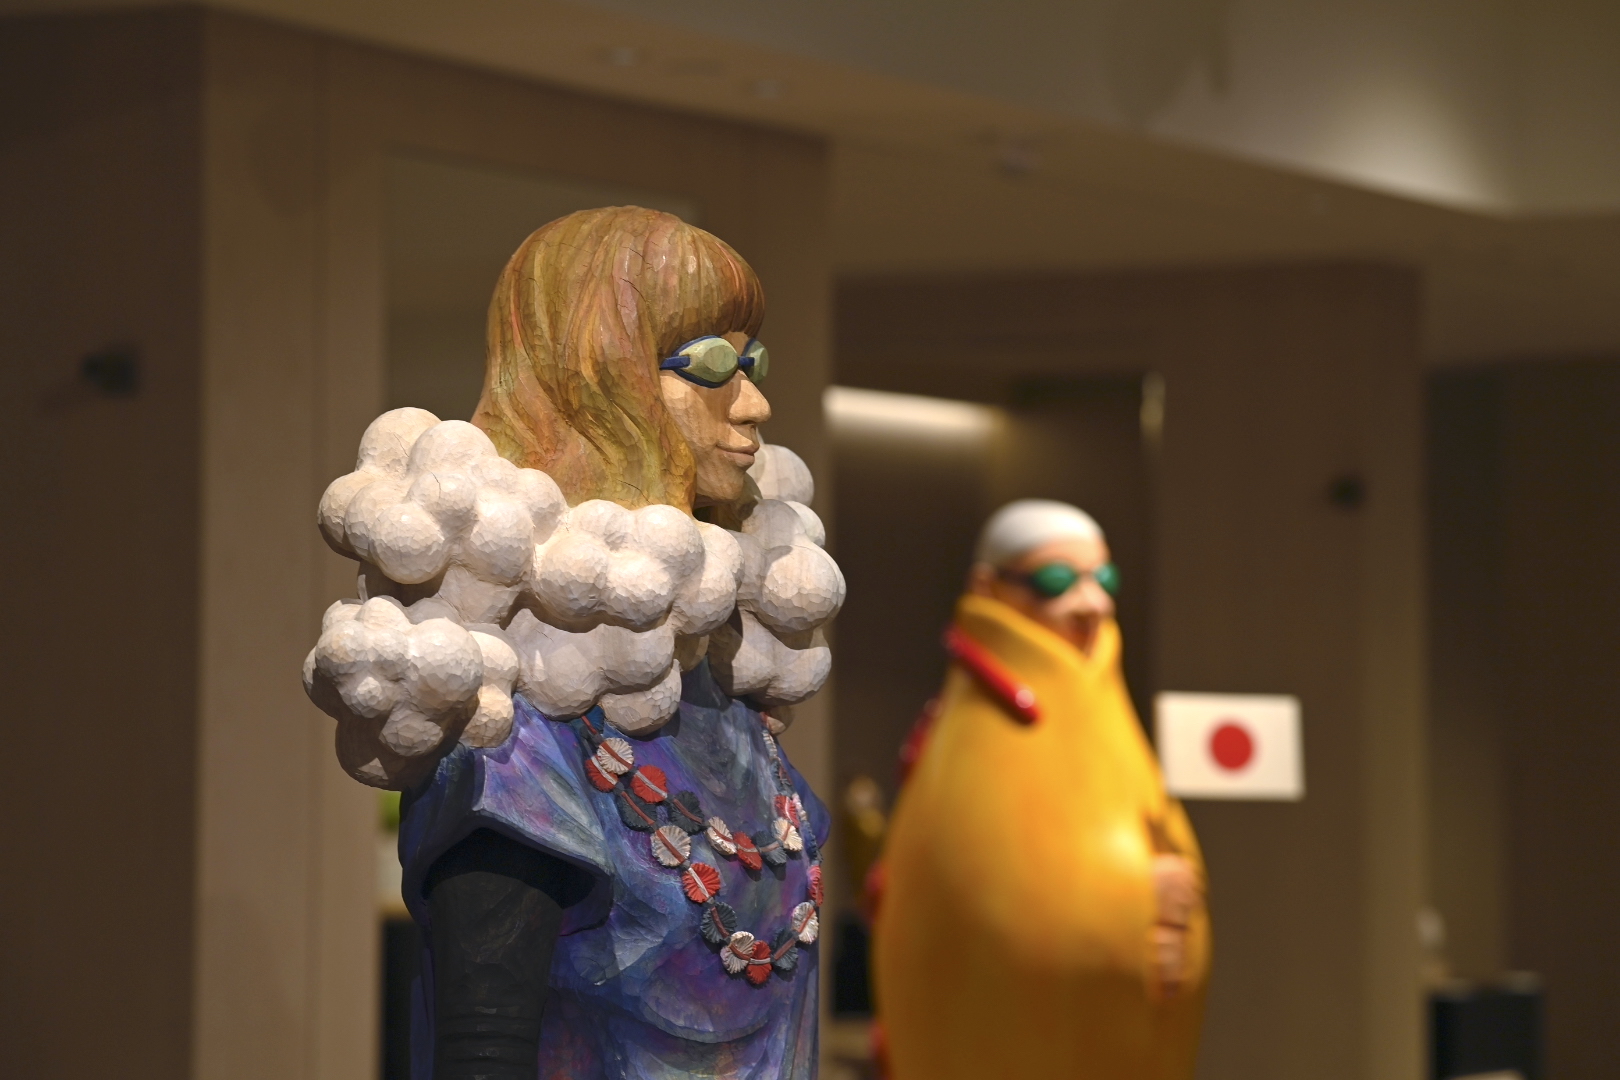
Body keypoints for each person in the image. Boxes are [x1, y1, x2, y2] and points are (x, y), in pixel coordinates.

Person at [305, 207, 841, 1080]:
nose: (754, 404)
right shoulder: (521, 748)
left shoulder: (726, 705)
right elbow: (484, 1052)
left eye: (753, 365)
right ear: (600, 379)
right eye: (711, 365)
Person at [873, 499, 1209, 1080]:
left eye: (1104, 580)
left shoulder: (1101, 696)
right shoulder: (979, 731)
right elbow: (990, 892)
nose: (1093, 604)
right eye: (1057, 581)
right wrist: (1138, 901)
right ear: (989, 587)